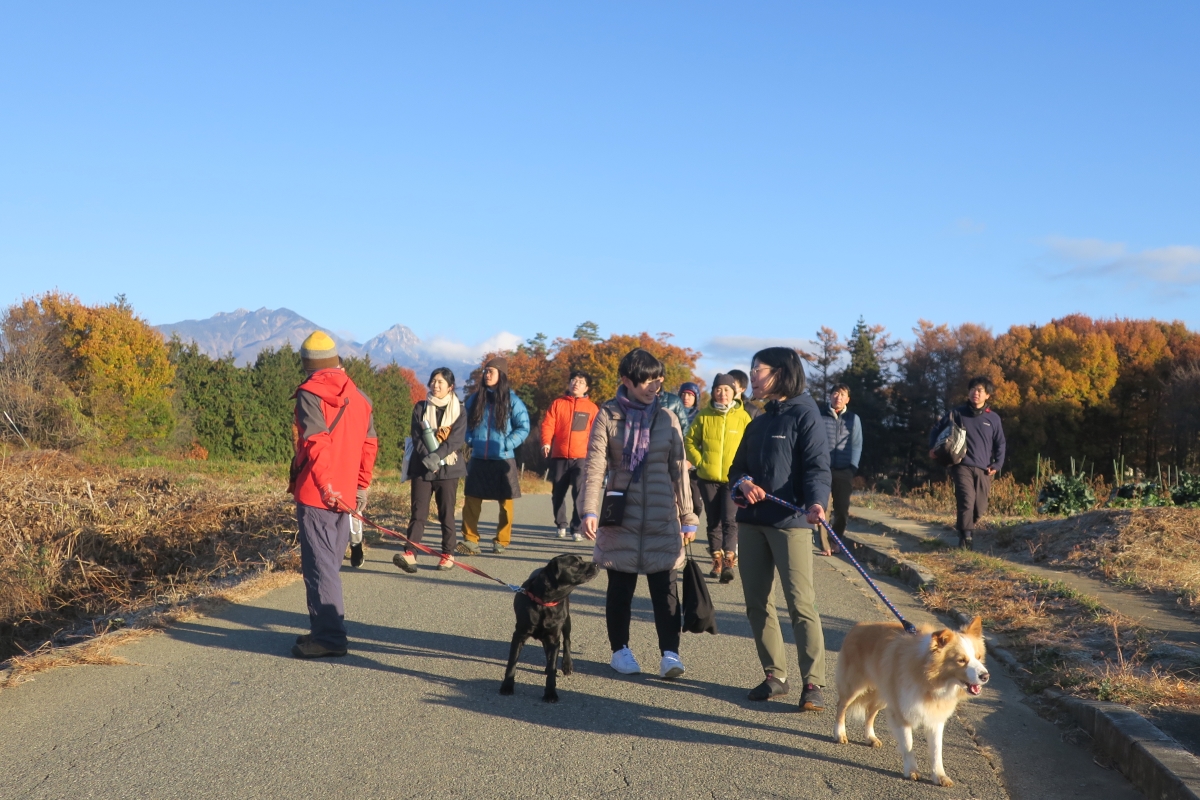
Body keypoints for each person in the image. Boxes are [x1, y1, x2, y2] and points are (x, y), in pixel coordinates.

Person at [581, 348, 699, 679]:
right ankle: (620, 650)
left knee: (667, 592)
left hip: (663, 514)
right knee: (620, 587)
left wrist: (688, 516)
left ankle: (670, 655)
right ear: (626, 382)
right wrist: (589, 509)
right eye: (646, 379)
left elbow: (679, 470)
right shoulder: (608, 414)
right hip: (622, 513)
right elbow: (595, 466)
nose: (653, 386)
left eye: (657, 380)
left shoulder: (667, 418)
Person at [728, 347, 832, 710]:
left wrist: (818, 502)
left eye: (758, 369)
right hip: (752, 523)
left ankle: (813, 682)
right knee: (757, 603)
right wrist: (741, 484)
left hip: (791, 524)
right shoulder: (757, 420)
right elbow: (735, 469)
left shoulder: (805, 415)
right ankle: (775, 677)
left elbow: (819, 467)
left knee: (801, 603)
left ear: (781, 373)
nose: (751, 376)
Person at [288, 332, 378, 659]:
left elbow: (316, 442)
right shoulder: (361, 397)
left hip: (320, 494)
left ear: (308, 364)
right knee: (330, 563)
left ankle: (329, 637)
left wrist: (327, 487)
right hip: (348, 496)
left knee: (320, 565)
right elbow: (369, 446)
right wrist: (360, 486)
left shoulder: (310, 394)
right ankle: (324, 627)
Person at [395, 368, 466, 573]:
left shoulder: (459, 410)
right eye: (433, 381)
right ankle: (410, 553)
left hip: (448, 469)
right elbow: (417, 437)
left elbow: (456, 439)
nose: (435, 385)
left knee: (447, 513)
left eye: (440, 382)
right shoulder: (420, 407)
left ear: (450, 387)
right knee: (418, 512)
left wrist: (438, 456)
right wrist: (429, 459)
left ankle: (447, 554)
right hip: (422, 468)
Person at [458, 357, 530, 556]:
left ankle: (502, 540)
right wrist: (471, 440)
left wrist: (506, 444)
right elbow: (464, 423)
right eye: (485, 371)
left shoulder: (512, 401)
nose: (487, 374)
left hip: (503, 458)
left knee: (506, 502)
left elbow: (523, 427)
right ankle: (470, 540)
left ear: (502, 375)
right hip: (479, 457)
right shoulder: (475, 399)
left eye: (491, 371)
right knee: (471, 500)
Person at [685, 373, 752, 584]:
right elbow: (689, 441)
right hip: (707, 477)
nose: (722, 394)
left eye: (727, 390)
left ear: (735, 392)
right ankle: (716, 561)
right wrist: (701, 461)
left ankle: (729, 562)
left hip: (733, 480)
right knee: (713, 520)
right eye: (718, 390)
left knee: (730, 520)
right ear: (713, 392)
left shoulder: (743, 417)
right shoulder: (704, 415)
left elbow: (752, 446)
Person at [929, 376, 1006, 550]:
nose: (975, 393)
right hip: (961, 464)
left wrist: (997, 464)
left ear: (987, 395)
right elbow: (936, 429)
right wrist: (933, 448)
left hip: (984, 468)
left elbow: (1000, 443)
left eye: (980, 390)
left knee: (979, 507)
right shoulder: (957, 413)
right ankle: (966, 538)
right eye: (973, 389)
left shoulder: (993, 419)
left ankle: (965, 527)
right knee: (966, 500)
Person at [541, 370, 599, 541]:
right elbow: (547, 424)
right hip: (559, 456)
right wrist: (546, 442)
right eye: (574, 380)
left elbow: (597, 433)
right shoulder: (558, 404)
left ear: (586, 387)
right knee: (558, 493)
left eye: (581, 382)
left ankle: (576, 528)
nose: (576, 383)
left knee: (579, 494)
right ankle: (561, 525)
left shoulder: (592, 408)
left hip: (582, 457)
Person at [815, 383, 862, 556]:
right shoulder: (820, 416)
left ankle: (836, 540)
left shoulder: (853, 419)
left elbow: (857, 444)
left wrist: (853, 467)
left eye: (842, 394)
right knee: (823, 508)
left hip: (844, 470)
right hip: (822, 469)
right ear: (830, 396)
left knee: (842, 510)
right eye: (835, 393)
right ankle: (825, 545)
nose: (838, 397)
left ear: (847, 399)